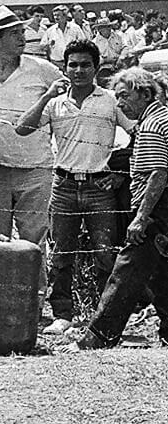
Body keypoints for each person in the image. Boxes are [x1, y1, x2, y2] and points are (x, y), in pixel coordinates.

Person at [14, 39, 134, 335]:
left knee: (106, 254)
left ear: (96, 68)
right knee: (61, 254)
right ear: (65, 68)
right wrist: (46, 96)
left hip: (99, 187)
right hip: (64, 186)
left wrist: (120, 171)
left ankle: (105, 317)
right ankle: (62, 315)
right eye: (73, 65)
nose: (79, 71)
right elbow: (22, 128)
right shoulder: (56, 102)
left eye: (85, 65)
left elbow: (138, 132)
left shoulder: (109, 100)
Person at [70, 68, 168, 350]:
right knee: (161, 273)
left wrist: (141, 218)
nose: (120, 104)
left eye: (125, 96)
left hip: (156, 209)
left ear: (145, 94)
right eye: (117, 97)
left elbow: (158, 174)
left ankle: (98, 336)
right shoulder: (163, 118)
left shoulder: (151, 126)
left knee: (126, 272)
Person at [0, 5, 63, 248]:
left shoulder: (41, 69)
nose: (22, 38)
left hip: (33, 168)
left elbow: (67, 97)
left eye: (22, 31)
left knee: (33, 242)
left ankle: (37, 276)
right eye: (14, 33)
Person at [42, 4, 89, 69]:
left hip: (72, 63)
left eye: (58, 15)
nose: (55, 17)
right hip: (55, 63)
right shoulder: (50, 31)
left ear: (65, 15)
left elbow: (83, 43)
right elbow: (43, 46)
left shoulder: (75, 28)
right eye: (54, 15)